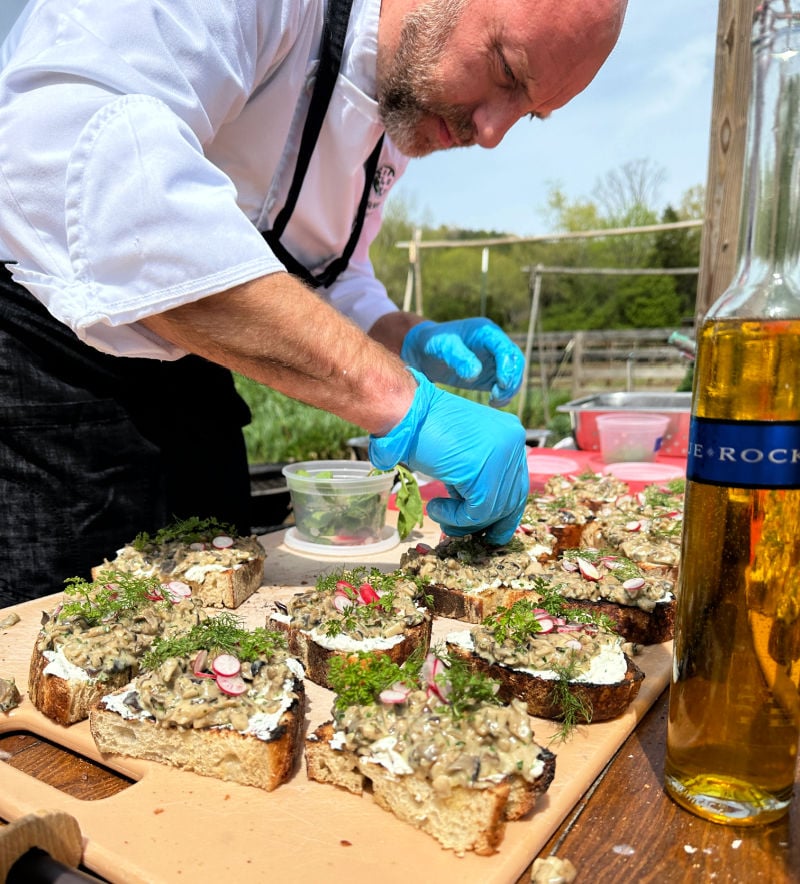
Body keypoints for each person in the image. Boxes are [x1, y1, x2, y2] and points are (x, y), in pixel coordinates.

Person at [0, 0, 627, 604]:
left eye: (530, 113)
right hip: (48, 357)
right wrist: (402, 402)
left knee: (220, 619)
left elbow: (323, 273)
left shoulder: (402, 112)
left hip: (197, 371)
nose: (494, 133)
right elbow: (84, 168)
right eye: (507, 72)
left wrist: (407, 334)